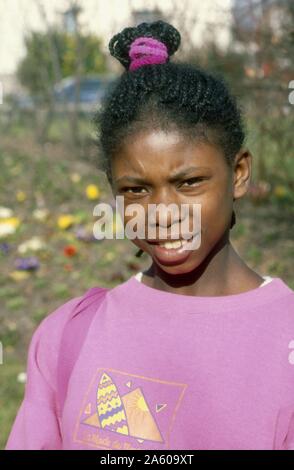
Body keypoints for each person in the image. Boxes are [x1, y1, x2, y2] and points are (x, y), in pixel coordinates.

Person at [6, 20, 294, 450]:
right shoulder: (68, 337)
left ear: (238, 174)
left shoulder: (285, 340)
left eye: (189, 182)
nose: (162, 214)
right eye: (135, 189)